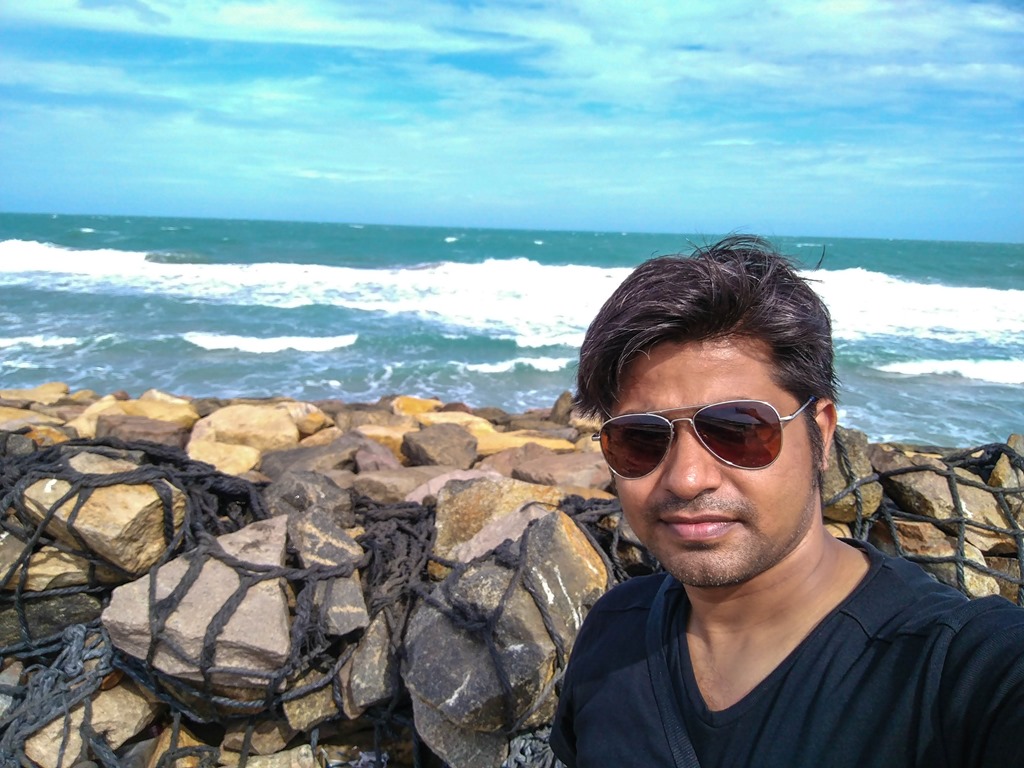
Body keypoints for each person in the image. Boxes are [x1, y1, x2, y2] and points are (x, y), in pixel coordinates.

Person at [548, 235, 1024, 767]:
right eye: (640, 438)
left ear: (821, 432)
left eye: (737, 429)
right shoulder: (614, 631)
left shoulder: (957, 671)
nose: (686, 478)